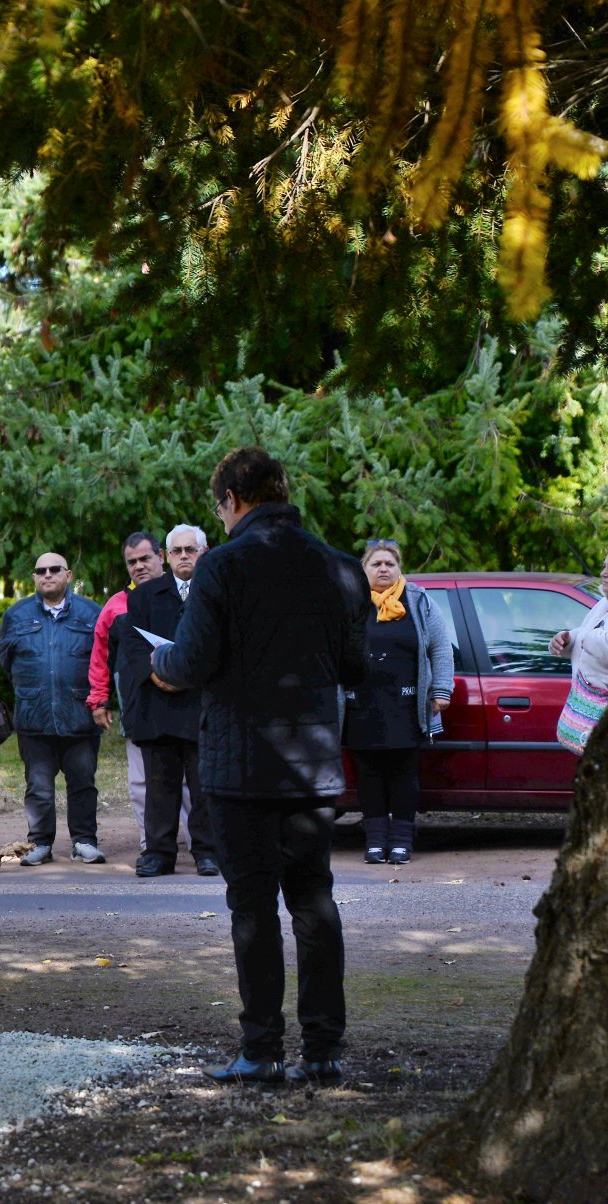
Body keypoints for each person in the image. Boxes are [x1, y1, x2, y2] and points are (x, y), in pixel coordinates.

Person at [152, 447, 369, 1087]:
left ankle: (261, 1050)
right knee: (314, 901)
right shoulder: (339, 566)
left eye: (219, 509)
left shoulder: (223, 566)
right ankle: (325, 1049)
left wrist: (160, 669)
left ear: (233, 501)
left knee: (252, 908)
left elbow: (189, 663)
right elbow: (353, 667)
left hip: (240, 763)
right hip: (311, 762)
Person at [116, 524, 219, 877]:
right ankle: (160, 854)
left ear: (203, 553)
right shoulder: (145, 595)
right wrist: (155, 675)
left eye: (191, 550)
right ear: (167, 556)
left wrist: (190, 676)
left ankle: (207, 851)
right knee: (160, 784)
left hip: (202, 703)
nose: (184, 556)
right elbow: (131, 641)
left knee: (204, 784)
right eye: (177, 551)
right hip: (158, 703)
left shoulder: (216, 592)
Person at [344, 539, 453, 864]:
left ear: (399, 568)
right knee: (370, 776)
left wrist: (441, 691)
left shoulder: (418, 601)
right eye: (376, 564)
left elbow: (440, 647)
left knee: (404, 776)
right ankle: (376, 842)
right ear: (364, 569)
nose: (383, 569)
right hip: (360, 705)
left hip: (407, 706)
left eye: (389, 564)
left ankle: (402, 843)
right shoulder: (351, 601)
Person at [0, 551, 105, 867]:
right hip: (35, 717)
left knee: (83, 784)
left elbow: (102, 660)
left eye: (54, 569)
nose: (47, 575)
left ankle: (84, 841)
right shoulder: (16, 616)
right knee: (39, 788)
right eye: (41, 570)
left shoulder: (90, 613)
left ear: (68, 575)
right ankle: (40, 842)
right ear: (34, 577)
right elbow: (6, 661)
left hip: (79, 717)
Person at [89, 532, 169, 858]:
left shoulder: (184, 597)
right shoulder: (116, 606)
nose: (138, 566)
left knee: (189, 779)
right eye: (131, 561)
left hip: (184, 703)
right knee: (141, 782)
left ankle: (196, 843)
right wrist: (99, 699)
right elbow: (100, 655)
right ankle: (151, 843)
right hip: (136, 704)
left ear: (160, 556)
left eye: (145, 558)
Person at [551, 538, 608, 755]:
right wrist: (567, 640)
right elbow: (586, 636)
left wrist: (588, 637)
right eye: (604, 566)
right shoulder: (607, 602)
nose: (604, 573)